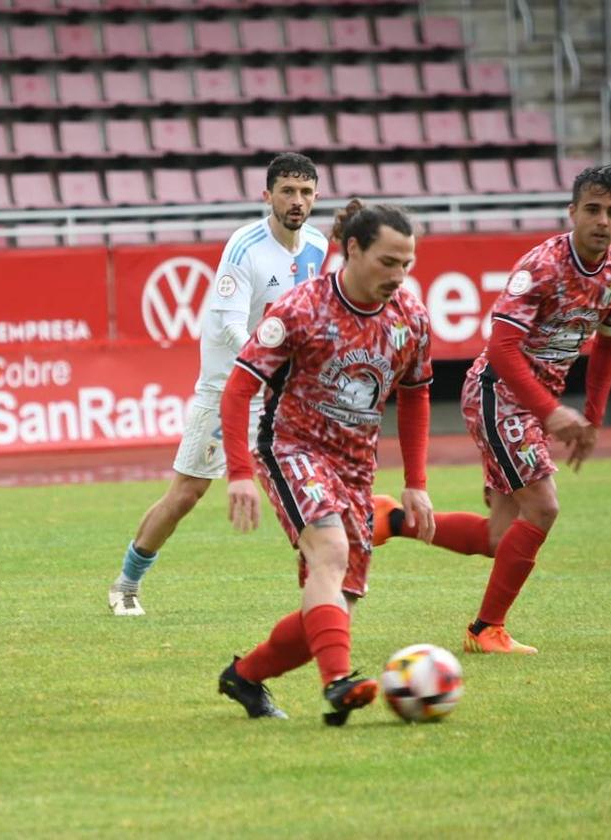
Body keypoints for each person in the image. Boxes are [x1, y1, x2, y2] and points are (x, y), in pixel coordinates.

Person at [107, 152, 400, 616]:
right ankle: (126, 583)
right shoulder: (244, 246)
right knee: (186, 494)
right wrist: (267, 365)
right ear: (267, 196)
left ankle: (327, 596)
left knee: (313, 493)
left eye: (305, 192)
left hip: (286, 400)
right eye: (287, 191)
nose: (297, 200)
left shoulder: (316, 247)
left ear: (316, 197)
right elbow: (226, 323)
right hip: (231, 390)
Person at [378, 165, 611, 655]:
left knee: (501, 537)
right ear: (573, 212)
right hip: (499, 393)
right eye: (594, 209)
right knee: (544, 506)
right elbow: (500, 348)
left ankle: (392, 520)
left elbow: (607, 347)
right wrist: (552, 411)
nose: (604, 221)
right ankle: (486, 628)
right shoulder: (541, 267)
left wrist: (594, 418)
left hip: (531, 406)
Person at [217, 200, 436, 725]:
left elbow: (416, 396)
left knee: (336, 602)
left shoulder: (412, 319)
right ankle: (338, 683)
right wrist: (240, 474)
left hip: (356, 467)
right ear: (353, 250)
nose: (399, 275)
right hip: (291, 449)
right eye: (388, 262)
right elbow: (239, 387)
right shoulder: (299, 309)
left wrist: (416, 483)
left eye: (407, 263)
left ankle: (244, 676)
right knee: (330, 553)